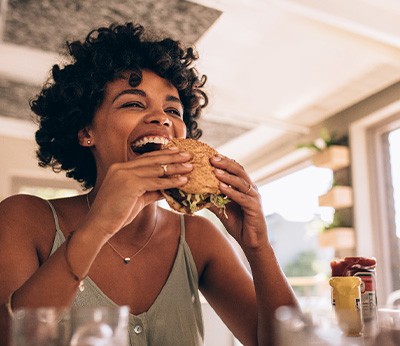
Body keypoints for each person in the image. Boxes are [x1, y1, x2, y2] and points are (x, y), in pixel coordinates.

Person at [0, 22, 297, 345]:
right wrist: (98, 227)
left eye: (173, 109)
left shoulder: (198, 237)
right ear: (86, 132)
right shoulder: (24, 218)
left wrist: (258, 247)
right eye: (133, 103)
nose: (163, 118)